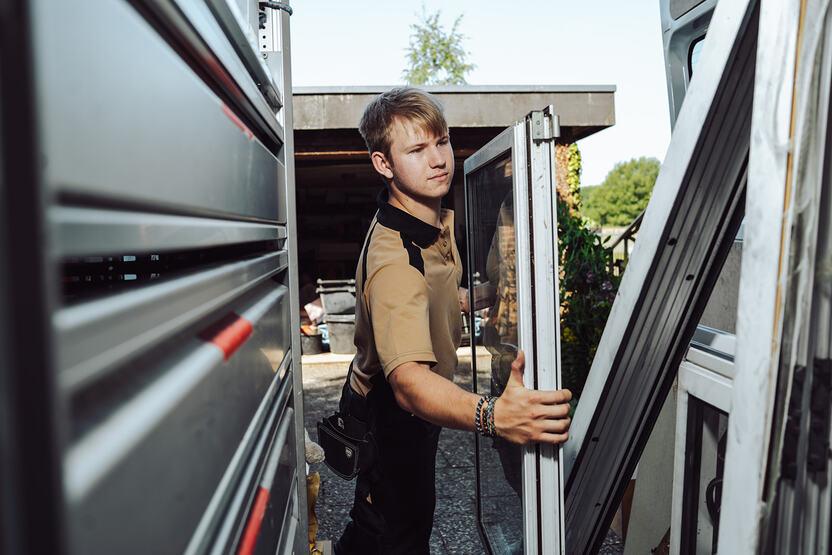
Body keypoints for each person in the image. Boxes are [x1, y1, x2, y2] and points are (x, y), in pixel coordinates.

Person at [334, 87, 572, 554]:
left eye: (441, 142)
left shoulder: (429, 224)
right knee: (393, 533)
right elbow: (408, 384)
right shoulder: (395, 260)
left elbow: (436, 292)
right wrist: (494, 416)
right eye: (417, 150)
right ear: (384, 164)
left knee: (396, 523)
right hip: (394, 415)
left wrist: (501, 292)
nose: (438, 159)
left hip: (410, 411)